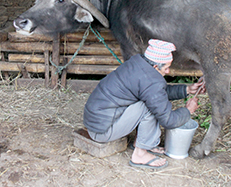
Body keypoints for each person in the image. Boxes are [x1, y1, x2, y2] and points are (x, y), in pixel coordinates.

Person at [84, 39, 206, 169]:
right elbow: (168, 120)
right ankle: (140, 154)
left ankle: (142, 143)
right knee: (149, 107)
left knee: (151, 102)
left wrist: (186, 90)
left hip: (96, 123)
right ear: (155, 67)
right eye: (166, 67)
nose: (168, 71)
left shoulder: (137, 64)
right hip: (103, 131)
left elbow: (155, 92)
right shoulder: (151, 82)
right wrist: (188, 111)